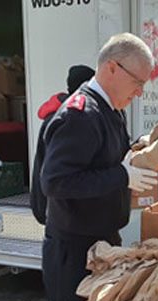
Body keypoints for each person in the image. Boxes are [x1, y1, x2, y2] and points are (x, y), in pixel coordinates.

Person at [40, 33, 157, 301]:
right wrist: (118, 176)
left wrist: (139, 152)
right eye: (137, 82)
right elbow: (55, 182)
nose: (139, 92)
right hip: (75, 251)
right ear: (111, 68)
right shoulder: (80, 113)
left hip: (104, 245)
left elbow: (106, 160)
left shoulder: (110, 110)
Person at [30, 65, 95, 225]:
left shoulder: (56, 116)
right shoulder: (68, 120)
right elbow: (60, 177)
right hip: (57, 213)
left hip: (51, 209)